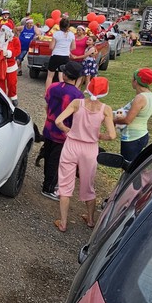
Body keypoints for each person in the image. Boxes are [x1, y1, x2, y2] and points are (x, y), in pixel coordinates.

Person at [54, 76, 116, 232]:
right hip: (90, 149)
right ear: (105, 92)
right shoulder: (105, 109)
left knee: (65, 184)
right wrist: (98, 135)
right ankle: (90, 219)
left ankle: (63, 222)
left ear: (88, 88)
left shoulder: (77, 103)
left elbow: (58, 121)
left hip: (72, 146)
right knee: (88, 184)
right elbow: (112, 135)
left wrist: (67, 130)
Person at [39, 61, 85, 200]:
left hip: (49, 127)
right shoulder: (78, 95)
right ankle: (48, 188)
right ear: (77, 78)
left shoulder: (53, 87)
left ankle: (47, 183)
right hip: (64, 132)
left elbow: (47, 107)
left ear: (64, 74)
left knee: (48, 156)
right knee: (57, 160)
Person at [115, 68, 152, 166]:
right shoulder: (150, 95)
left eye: (132, 78)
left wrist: (111, 119)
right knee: (136, 167)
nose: (131, 80)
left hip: (132, 138)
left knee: (129, 169)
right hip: (141, 135)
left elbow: (128, 120)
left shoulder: (140, 98)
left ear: (136, 81)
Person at [45, 18, 75, 88]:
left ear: (59, 25)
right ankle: (62, 91)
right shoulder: (71, 35)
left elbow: (51, 47)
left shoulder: (56, 34)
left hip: (56, 55)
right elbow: (73, 47)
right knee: (62, 75)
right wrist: (67, 49)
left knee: (50, 76)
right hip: (65, 56)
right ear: (68, 26)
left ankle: (47, 91)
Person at [0, 23, 20, 104]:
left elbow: (17, 50)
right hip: (0, 64)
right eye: (2, 30)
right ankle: (2, 97)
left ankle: (13, 96)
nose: (2, 32)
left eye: (4, 30)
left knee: (12, 82)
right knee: (0, 82)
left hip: (10, 65)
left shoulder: (15, 40)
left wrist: (9, 53)